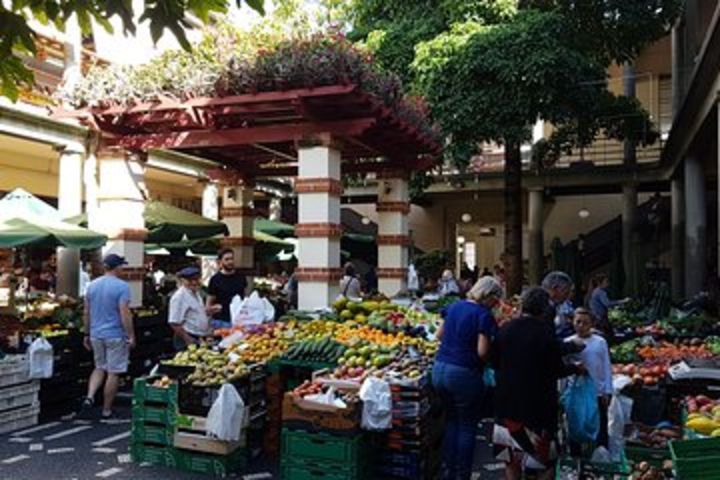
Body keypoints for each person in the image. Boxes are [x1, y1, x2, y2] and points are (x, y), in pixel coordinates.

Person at [492, 287, 584, 480]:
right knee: (544, 463)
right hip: (538, 409)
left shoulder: (505, 329)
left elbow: (494, 362)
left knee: (510, 459)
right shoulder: (545, 334)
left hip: (507, 406)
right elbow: (556, 370)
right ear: (544, 309)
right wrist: (576, 368)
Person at [433, 276, 502, 480]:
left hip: (439, 369)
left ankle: (447, 470)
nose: (495, 303)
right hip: (464, 373)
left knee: (451, 421)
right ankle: (461, 474)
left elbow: (438, 335)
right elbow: (482, 352)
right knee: (466, 425)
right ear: (488, 295)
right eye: (495, 299)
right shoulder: (483, 315)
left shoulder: (454, 306)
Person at [80, 254, 134, 419]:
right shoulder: (122, 287)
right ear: (116, 267)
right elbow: (124, 313)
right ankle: (106, 409)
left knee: (99, 367)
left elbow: (86, 312)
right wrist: (130, 335)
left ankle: (90, 396)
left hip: (96, 333)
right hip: (115, 334)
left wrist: (86, 333)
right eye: (122, 266)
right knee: (113, 372)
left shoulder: (92, 286)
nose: (123, 269)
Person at [566, 308, 613, 448]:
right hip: (575, 393)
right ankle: (576, 455)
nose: (581, 326)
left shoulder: (600, 342)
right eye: (578, 322)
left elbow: (606, 367)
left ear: (591, 324)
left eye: (585, 323)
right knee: (576, 425)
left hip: (597, 392)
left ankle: (600, 455)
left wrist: (607, 391)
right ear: (573, 323)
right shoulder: (568, 343)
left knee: (599, 426)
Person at [169, 266, 214, 349]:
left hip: (198, 337)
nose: (194, 282)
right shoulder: (179, 297)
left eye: (196, 279)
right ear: (182, 281)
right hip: (186, 338)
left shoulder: (197, 293)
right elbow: (174, 322)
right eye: (190, 280)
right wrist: (188, 339)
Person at [207, 249, 247, 328]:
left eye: (232, 258)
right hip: (221, 322)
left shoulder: (241, 277)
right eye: (227, 259)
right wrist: (214, 308)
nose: (230, 262)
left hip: (239, 321)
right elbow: (208, 306)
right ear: (220, 261)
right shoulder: (215, 280)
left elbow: (245, 297)